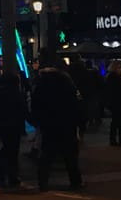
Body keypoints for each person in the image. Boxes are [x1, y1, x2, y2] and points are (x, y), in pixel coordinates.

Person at [30, 51, 82, 192]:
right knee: (70, 154)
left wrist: (37, 120)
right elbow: (74, 102)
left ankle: (43, 181)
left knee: (47, 153)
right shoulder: (66, 81)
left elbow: (36, 103)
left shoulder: (42, 82)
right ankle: (75, 181)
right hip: (66, 121)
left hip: (48, 121)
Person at [0, 69, 26, 188]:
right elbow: (22, 109)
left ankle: (3, 172)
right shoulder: (16, 94)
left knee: (7, 148)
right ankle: (10, 174)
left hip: (4, 125)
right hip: (14, 125)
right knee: (12, 150)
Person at [105, 61, 121, 146]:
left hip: (114, 102)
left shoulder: (110, 77)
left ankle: (113, 140)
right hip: (119, 102)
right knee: (120, 122)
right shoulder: (117, 78)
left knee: (115, 122)